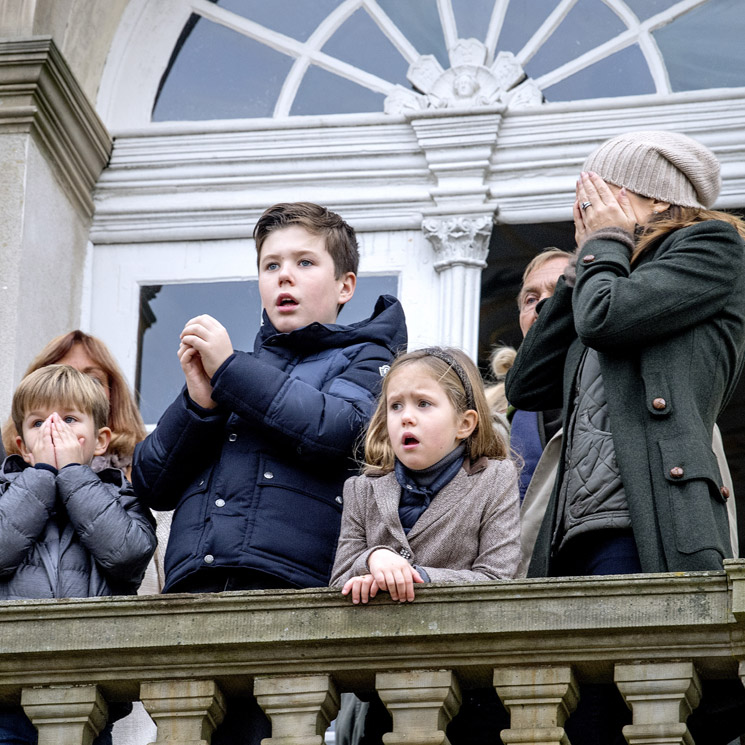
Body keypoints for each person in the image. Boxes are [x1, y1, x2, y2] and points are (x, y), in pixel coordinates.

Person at [132, 202, 406, 742]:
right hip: (196, 589)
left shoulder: (368, 356)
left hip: (286, 589)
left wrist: (232, 371)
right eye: (271, 265)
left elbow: (337, 430)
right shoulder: (233, 375)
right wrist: (199, 405)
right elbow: (150, 482)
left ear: (345, 285)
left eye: (305, 263)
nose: (285, 275)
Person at [505, 130, 745, 744]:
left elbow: (609, 318)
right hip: (571, 532)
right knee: (581, 719)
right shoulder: (603, 271)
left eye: (602, 191)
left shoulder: (712, 247)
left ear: (655, 197)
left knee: (635, 715)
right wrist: (589, 258)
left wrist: (602, 250)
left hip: (645, 523)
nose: (587, 208)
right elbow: (527, 381)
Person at [330, 346, 520, 744]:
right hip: (386, 684)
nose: (406, 417)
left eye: (424, 403)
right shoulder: (361, 490)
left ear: (465, 423)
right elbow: (339, 580)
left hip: (471, 686)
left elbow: (496, 579)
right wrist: (373, 560)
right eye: (395, 406)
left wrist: (416, 576)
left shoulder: (494, 479)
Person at [0, 365, 156, 744]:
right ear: (21, 445)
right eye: (38, 423)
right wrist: (40, 477)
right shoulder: (6, 494)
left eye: (70, 419)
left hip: (91, 701)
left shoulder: (120, 496)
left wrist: (71, 473)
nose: (55, 431)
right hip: (5, 698)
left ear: (99, 440)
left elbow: (128, 554)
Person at [2, 330, 147, 478]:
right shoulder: (6, 474)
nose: (75, 389)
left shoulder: (142, 476)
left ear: (113, 392)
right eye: (59, 379)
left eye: (92, 380)